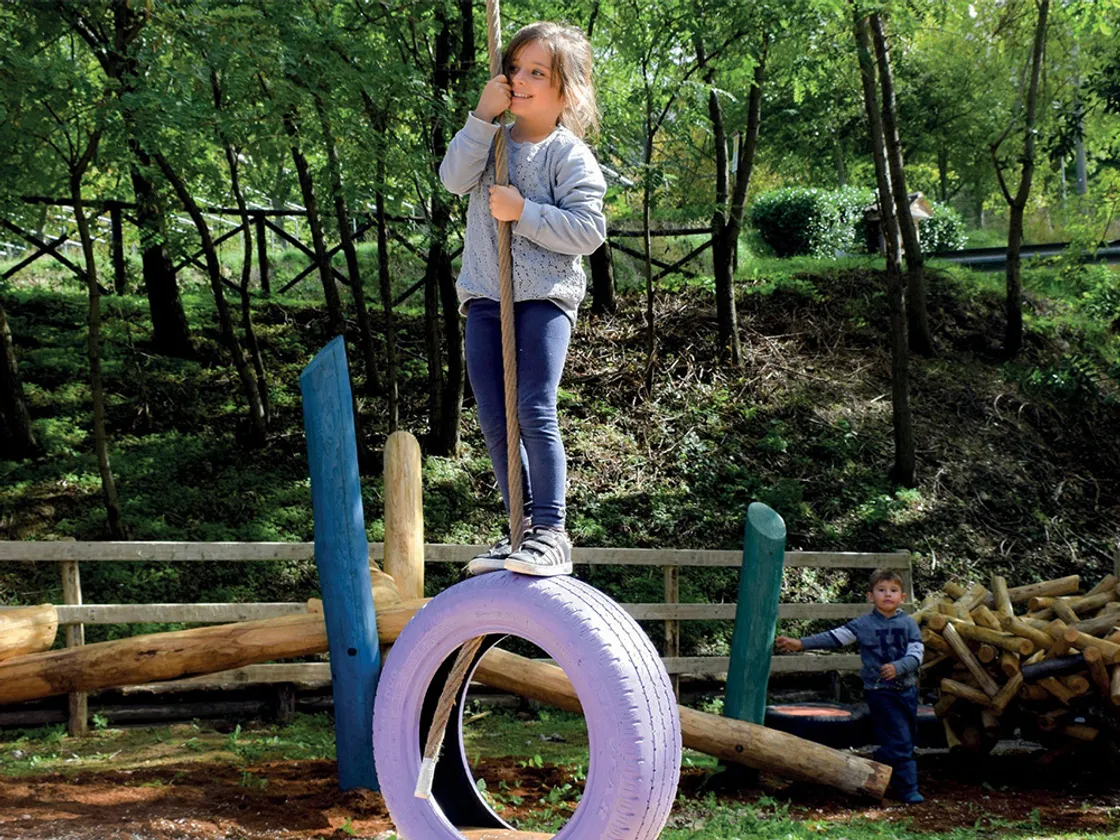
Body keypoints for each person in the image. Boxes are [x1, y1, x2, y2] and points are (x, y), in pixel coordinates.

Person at [439, 22, 606, 577]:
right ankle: (520, 531)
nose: (520, 79)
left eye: (538, 72)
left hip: (543, 299)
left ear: (568, 90)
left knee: (534, 408)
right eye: (515, 68)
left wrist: (523, 213)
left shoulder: (568, 155)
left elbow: (589, 231)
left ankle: (551, 531)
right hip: (485, 295)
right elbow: (451, 179)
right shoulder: (490, 142)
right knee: (493, 417)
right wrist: (480, 118)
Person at [775, 568, 925, 804]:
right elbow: (834, 637)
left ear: (902, 598)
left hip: (907, 690)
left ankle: (880, 768)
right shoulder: (863, 624)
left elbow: (917, 654)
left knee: (904, 738)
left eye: (893, 591)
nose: (888, 595)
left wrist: (900, 666)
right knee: (900, 739)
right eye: (881, 590)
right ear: (870, 596)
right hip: (880, 691)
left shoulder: (909, 624)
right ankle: (908, 790)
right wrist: (800, 643)